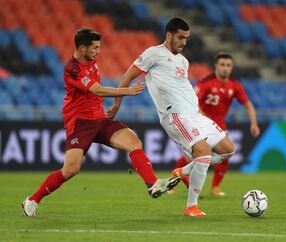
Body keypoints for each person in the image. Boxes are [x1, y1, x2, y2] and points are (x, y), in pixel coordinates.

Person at [22, 28, 180, 217]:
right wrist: (126, 91)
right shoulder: (73, 68)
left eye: (99, 47)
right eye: (95, 47)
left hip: (100, 119)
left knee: (133, 142)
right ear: (82, 48)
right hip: (80, 123)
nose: (98, 51)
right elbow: (96, 90)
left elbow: (94, 94)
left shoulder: (91, 61)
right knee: (71, 169)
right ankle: (32, 200)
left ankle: (152, 184)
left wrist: (112, 108)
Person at [107, 17, 236, 217]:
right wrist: (116, 104)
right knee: (204, 154)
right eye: (180, 37)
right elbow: (127, 77)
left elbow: (183, 89)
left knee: (228, 150)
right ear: (169, 35)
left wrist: (199, 113)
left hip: (195, 114)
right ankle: (191, 207)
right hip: (175, 115)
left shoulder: (183, 61)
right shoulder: (153, 54)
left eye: (187, 38)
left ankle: (182, 172)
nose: (184, 42)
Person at [169, 52, 260, 196]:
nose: (225, 68)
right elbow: (193, 101)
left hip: (220, 126)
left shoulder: (235, 86)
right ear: (216, 66)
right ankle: (174, 181)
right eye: (222, 65)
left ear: (232, 67)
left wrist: (253, 124)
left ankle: (215, 187)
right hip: (201, 125)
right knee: (191, 157)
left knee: (226, 154)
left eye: (228, 65)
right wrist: (204, 118)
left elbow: (248, 104)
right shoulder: (205, 82)